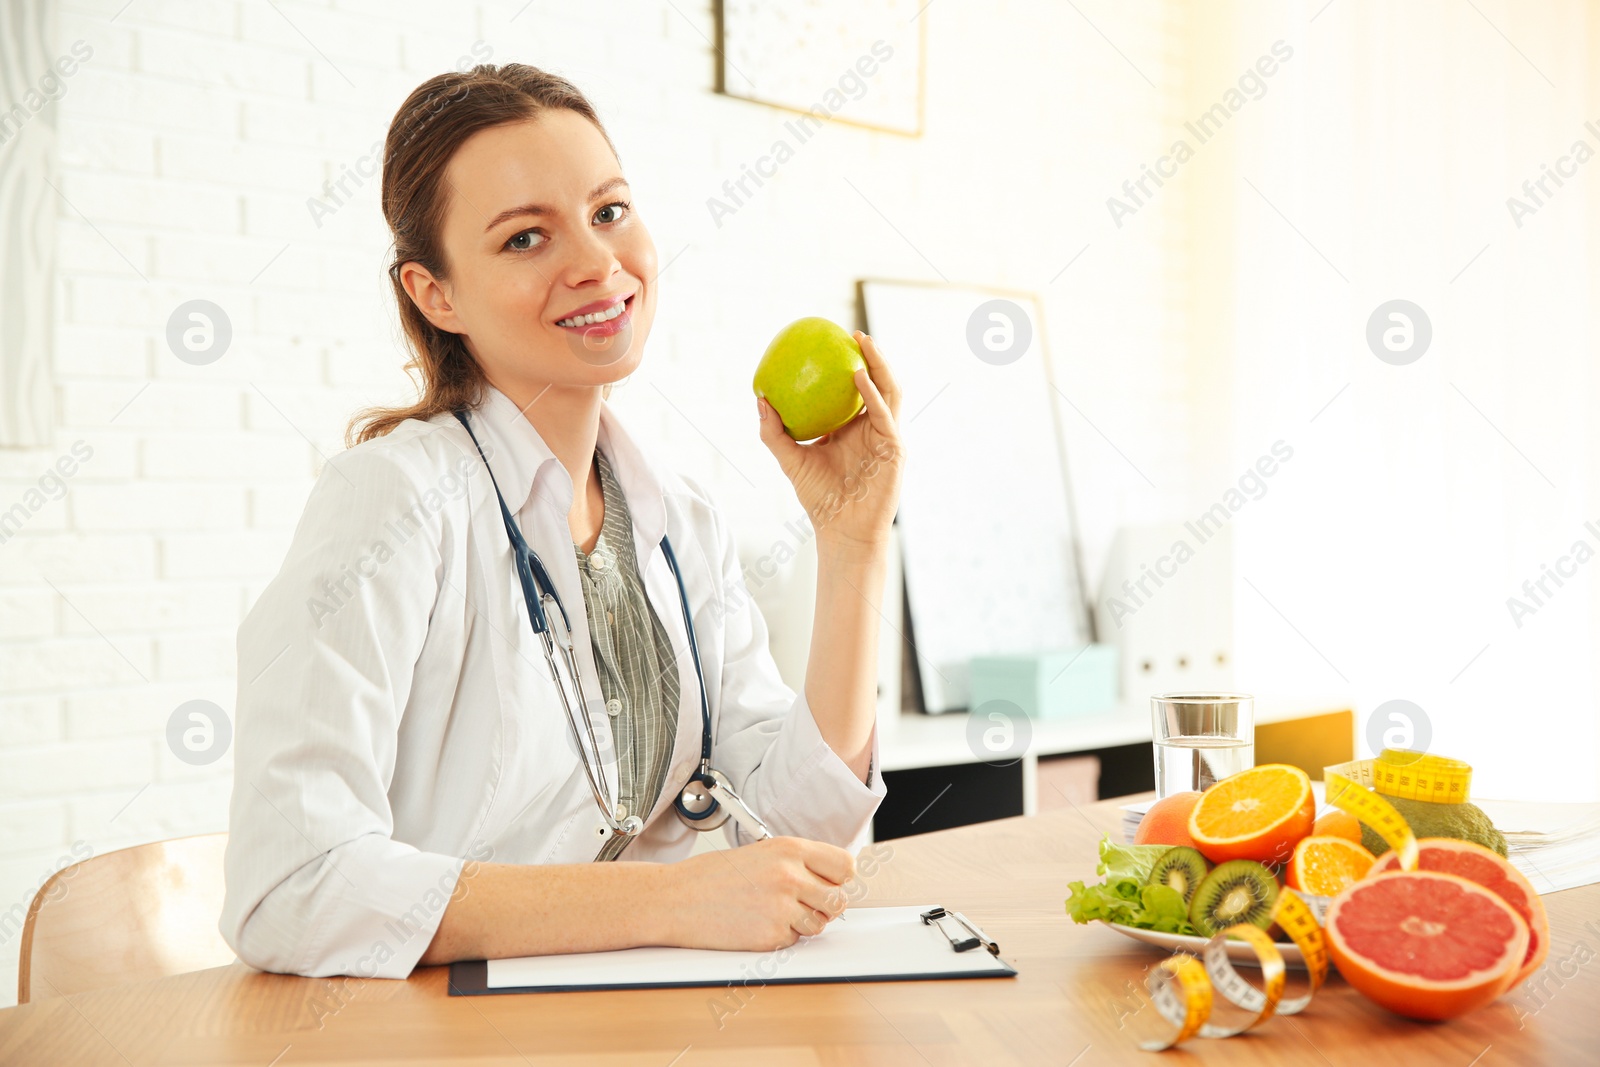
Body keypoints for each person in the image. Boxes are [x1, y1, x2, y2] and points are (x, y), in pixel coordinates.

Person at [219, 63, 905, 979]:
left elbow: (792, 828)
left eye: (610, 211)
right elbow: (290, 884)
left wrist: (851, 546)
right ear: (436, 294)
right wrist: (675, 898)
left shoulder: (677, 520)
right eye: (526, 237)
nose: (595, 262)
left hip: (636, 1022)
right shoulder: (394, 503)